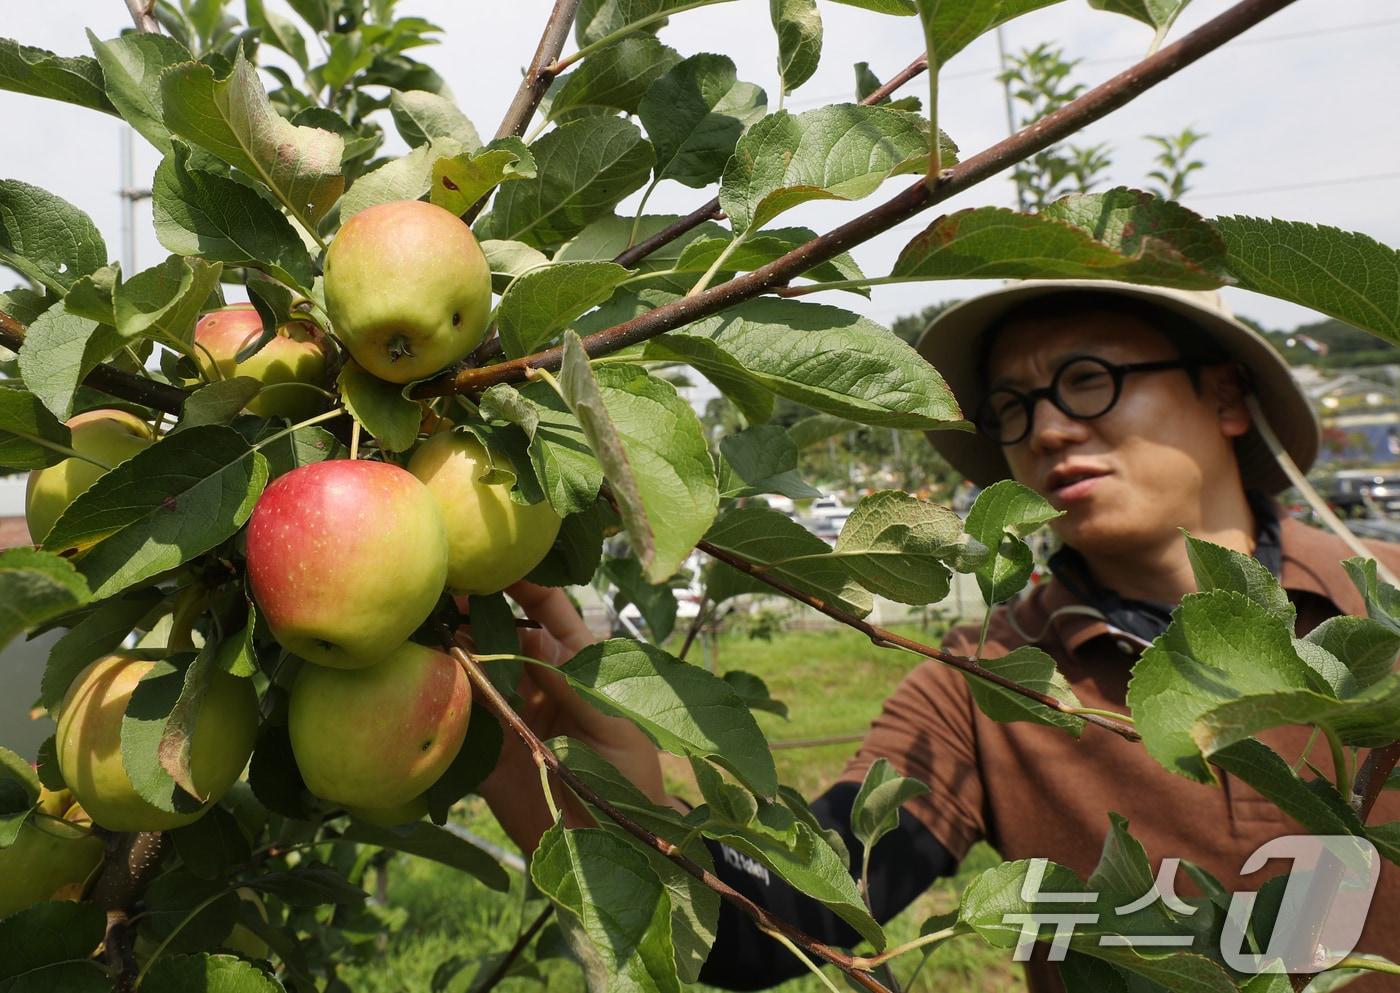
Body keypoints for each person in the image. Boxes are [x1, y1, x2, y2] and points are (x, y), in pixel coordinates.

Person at [478, 280, 1400, 992]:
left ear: (1228, 395)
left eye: (1088, 380)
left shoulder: (1384, 606)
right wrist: (614, 802)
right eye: (1012, 406)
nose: (1044, 428)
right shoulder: (986, 682)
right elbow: (802, 910)